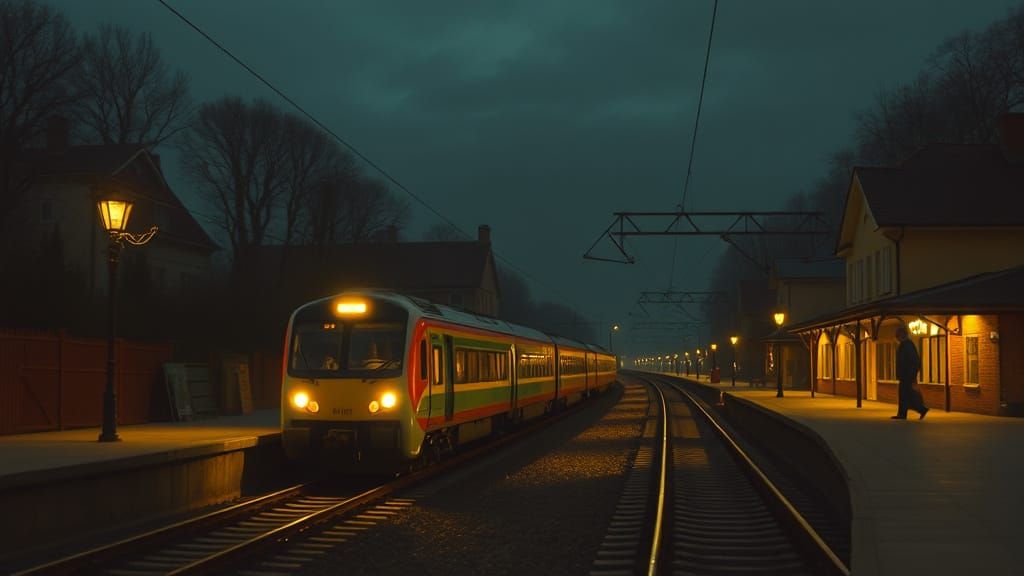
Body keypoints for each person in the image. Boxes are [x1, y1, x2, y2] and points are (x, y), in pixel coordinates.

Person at [893, 324, 928, 420]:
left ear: (902, 335)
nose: (897, 339)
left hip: (907, 376)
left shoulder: (907, 345)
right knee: (905, 395)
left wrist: (911, 374)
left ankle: (920, 409)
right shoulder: (905, 345)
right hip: (905, 376)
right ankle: (904, 413)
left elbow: (914, 361)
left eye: (898, 336)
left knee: (907, 395)